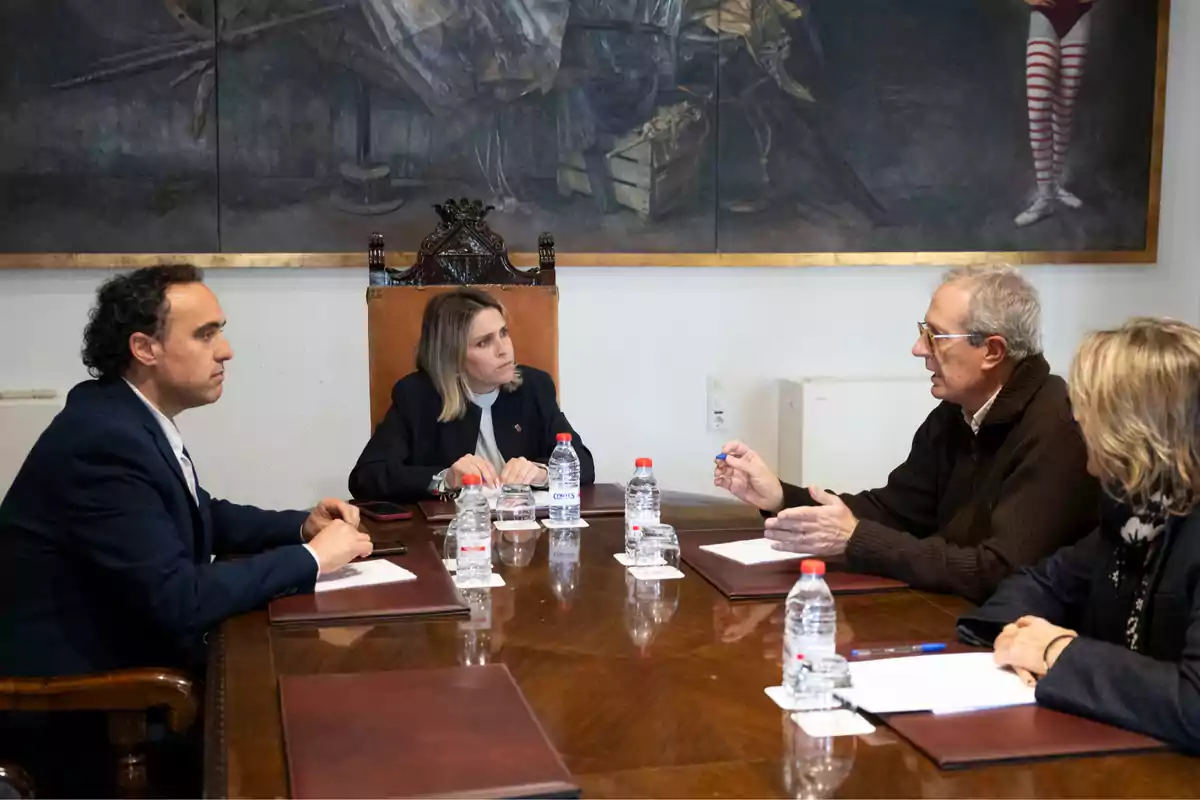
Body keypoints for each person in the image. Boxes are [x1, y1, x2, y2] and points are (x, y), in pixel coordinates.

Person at [0, 265, 373, 678]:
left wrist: (302, 526)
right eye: (205, 334)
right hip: (93, 701)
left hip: (130, 656)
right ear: (145, 348)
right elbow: (178, 599)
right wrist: (311, 558)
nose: (226, 350)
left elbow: (197, 511)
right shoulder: (102, 440)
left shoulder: (120, 413)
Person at [714, 266, 1099, 603]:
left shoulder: (1058, 429)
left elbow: (999, 571)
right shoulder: (954, 415)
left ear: (992, 352)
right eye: (923, 332)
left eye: (936, 336)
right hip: (952, 610)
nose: (918, 349)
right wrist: (780, 495)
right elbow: (892, 513)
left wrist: (856, 538)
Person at [959, 318, 1200, 753]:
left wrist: (1056, 652)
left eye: (1086, 408)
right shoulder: (1134, 511)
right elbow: (1042, 582)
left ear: (1134, 425)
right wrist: (1017, 633)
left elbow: (1194, 704)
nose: (1074, 420)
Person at [349, 287, 594, 502]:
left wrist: (541, 473)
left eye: (504, 333)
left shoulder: (535, 387)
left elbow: (584, 464)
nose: (504, 349)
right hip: (449, 536)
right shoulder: (416, 396)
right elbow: (366, 477)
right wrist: (445, 478)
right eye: (483, 343)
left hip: (524, 532)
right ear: (451, 357)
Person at [1015, 0, 1096, 227]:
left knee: (1064, 107)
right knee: (1038, 108)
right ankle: (1045, 196)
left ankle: (1056, 185)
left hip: (1078, 17)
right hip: (1044, 16)